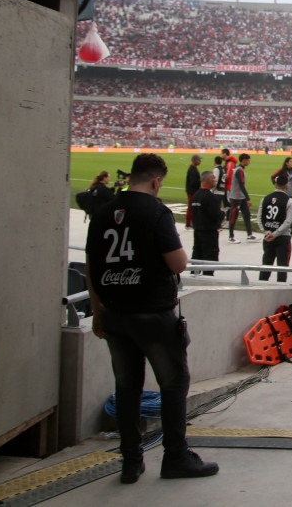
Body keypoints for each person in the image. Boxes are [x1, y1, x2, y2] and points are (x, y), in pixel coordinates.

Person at [84, 153, 219, 483]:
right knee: (173, 384)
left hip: (115, 313)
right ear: (156, 180)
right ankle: (175, 457)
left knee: (127, 387)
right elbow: (178, 263)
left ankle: (130, 462)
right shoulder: (156, 211)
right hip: (152, 316)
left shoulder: (102, 212)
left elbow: (91, 267)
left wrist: (97, 312)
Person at [258, 172, 292, 282]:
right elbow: (288, 222)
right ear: (287, 186)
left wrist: (267, 233)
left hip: (267, 238)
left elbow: (259, 219)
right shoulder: (290, 201)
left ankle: (261, 288)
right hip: (283, 238)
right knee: (282, 267)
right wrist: (275, 234)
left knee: (266, 265)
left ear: (275, 185)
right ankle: (281, 292)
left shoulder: (265, 199)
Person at [189, 171, 223, 276]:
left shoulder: (196, 195)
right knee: (210, 258)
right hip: (209, 233)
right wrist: (222, 213)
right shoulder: (210, 197)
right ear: (208, 180)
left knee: (197, 256)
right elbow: (216, 215)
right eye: (213, 178)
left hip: (198, 231)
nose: (215, 180)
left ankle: (193, 278)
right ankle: (207, 280)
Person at [227, 154, 256, 244]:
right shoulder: (239, 170)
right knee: (233, 216)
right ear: (244, 160)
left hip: (240, 196)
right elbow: (241, 185)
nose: (249, 162)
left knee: (247, 214)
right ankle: (231, 236)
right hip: (236, 197)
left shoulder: (240, 169)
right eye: (248, 160)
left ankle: (250, 234)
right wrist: (248, 198)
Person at [184, 155, 202, 230]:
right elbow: (193, 182)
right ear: (194, 160)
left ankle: (191, 223)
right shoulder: (192, 169)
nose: (200, 161)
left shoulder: (193, 169)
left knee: (192, 208)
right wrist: (200, 181)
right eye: (199, 160)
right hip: (192, 192)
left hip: (193, 191)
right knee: (191, 208)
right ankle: (188, 224)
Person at [211, 156, 228, 221]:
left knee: (215, 209)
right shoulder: (223, 169)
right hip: (222, 190)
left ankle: (217, 223)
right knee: (219, 207)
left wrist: (212, 190)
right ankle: (218, 223)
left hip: (217, 191)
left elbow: (215, 180)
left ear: (215, 161)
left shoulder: (216, 169)